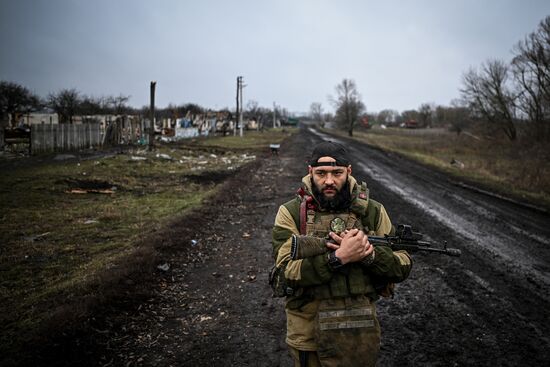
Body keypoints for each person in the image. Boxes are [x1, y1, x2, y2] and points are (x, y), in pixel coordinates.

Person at [271, 141, 413, 367]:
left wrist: (369, 255)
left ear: (349, 171)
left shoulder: (373, 211)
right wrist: (337, 258)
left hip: (360, 332)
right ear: (310, 172)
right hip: (309, 337)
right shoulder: (291, 213)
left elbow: (403, 265)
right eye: (321, 173)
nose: (329, 181)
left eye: (337, 173)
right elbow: (282, 274)